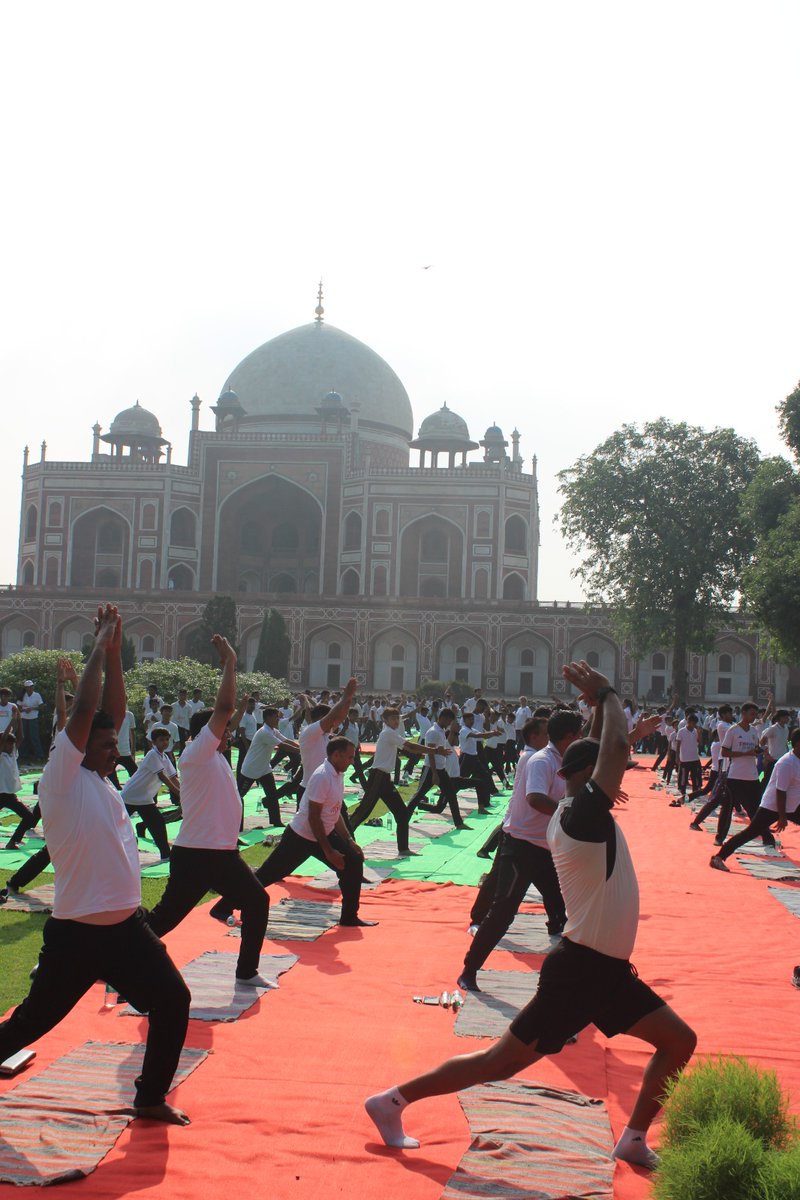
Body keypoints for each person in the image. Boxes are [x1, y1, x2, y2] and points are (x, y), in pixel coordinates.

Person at [365, 660, 696, 1169]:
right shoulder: (580, 814)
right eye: (611, 769)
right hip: (581, 970)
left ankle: (632, 1138)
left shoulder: (577, 807)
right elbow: (611, 750)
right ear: (587, 777)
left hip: (604, 970)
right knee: (498, 1063)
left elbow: (605, 751)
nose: (619, 772)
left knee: (678, 1041)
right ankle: (391, 1101)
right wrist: (606, 696)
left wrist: (607, 721)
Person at [0, 604, 191, 1124]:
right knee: (29, 1025)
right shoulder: (62, 779)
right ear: (78, 747)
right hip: (78, 937)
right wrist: (98, 643)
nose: (113, 752)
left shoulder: (101, 781)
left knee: (174, 1002)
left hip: (128, 931)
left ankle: (149, 1099)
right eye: (103, 746)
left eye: (114, 746)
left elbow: (112, 711)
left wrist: (114, 653)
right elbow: (86, 710)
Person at [145, 636, 270, 987]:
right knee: (163, 920)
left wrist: (241, 707)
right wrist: (231, 663)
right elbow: (224, 707)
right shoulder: (197, 752)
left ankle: (246, 971)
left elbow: (230, 712)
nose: (229, 735)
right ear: (208, 732)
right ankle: (105, 958)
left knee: (257, 901)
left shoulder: (214, 756)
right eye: (224, 730)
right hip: (198, 854)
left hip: (220, 853)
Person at [458, 709, 584, 992]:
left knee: (563, 907)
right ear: (568, 736)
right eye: (579, 735)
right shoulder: (541, 761)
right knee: (503, 911)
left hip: (545, 849)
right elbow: (535, 798)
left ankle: (565, 980)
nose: (581, 739)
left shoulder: (564, 761)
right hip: (521, 848)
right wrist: (568, 812)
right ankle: (469, 969)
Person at [209, 737, 377, 929]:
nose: (352, 761)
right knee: (267, 874)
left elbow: (335, 811)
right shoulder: (322, 776)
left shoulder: (337, 775)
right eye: (349, 757)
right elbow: (314, 818)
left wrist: (348, 840)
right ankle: (223, 906)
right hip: (301, 836)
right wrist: (329, 851)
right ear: (336, 755)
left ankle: (349, 916)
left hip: (322, 833)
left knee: (353, 861)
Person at [347, 708, 434, 855]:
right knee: (363, 812)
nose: (396, 721)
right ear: (385, 720)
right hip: (378, 777)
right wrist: (434, 751)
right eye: (392, 718)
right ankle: (343, 842)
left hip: (385, 778)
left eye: (397, 718)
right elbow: (410, 746)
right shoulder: (388, 733)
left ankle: (404, 848)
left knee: (401, 813)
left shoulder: (390, 732)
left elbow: (408, 748)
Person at [711, 729, 800, 872]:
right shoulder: (787, 763)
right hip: (773, 806)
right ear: (797, 744)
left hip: (792, 805)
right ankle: (718, 857)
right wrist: (782, 817)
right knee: (750, 833)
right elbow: (781, 791)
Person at [121, 726, 179, 862]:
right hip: (129, 796)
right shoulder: (152, 754)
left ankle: (166, 854)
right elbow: (163, 777)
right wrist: (179, 794)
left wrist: (183, 793)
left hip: (144, 798)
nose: (164, 742)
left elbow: (173, 777)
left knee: (157, 823)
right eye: (161, 740)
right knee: (115, 824)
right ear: (153, 742)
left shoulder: (164, 757)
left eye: (166, 740)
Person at [238, 707, 300, 827]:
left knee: (272, 795)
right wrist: (301, 750)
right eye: (275, 717)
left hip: (264, 768)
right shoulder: (264, 732)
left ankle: (276, 821)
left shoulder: (273, 730)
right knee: (239, 797)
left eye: (278, 717)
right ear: (267, 718)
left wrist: (301, 746)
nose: (278, 719)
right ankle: (234, 822)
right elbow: (282, 745)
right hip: (251, 769)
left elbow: (286, 740)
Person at [18, 680, 44, 762]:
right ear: (26, 688)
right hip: (23, 719)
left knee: (34, 737)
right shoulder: (22, 695)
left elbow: (42, 707)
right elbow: (18, 708)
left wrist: (32, 708)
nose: (31, 688)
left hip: (33, 719)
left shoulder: (37, 695)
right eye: (29, 687)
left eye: (32, 686)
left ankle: (39, 755)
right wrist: (24, 710)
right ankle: (23, 755)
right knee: (23, 737)